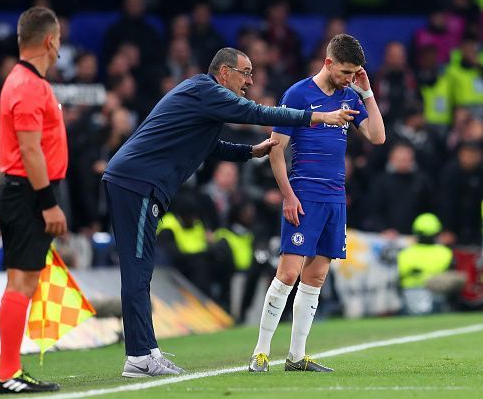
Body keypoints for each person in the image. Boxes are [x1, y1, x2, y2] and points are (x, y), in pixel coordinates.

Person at [103, 46, 358, 378]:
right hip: (135, 183)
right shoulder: (205, 90)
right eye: (246, 73)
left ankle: (146, 350)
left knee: (142, 272)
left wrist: (250, 152)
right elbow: (255, 113)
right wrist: (317, 117)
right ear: (224, 73)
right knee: (137, 272)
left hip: (139, 185)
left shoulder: (203, 100)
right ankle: (138, 356)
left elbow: (210, 146)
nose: (250, 81)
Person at [248, 34, 385, 373]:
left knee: (317, 276)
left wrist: (366, 92)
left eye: (355, 73)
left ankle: (296, 356)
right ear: (328, 63)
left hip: (335, 197)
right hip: (304, 194)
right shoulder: (298, 94)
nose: (349, 79)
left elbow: (378, 137)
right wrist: (288, 196)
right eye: (345, 72)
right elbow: (276, 149)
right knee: (289, 273)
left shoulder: (350, 95)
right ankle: (261, 352)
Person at [0, 7, 67, 394]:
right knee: (21, 282)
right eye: (58, 42)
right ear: (49, 40)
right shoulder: (27, 86)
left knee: (23, 280)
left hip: (25, 192)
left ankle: (10, 370)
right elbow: (30, 149)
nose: (59, 50)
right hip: (27, 193)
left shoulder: (29, 82)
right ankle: (8, 373)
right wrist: (48, 202)